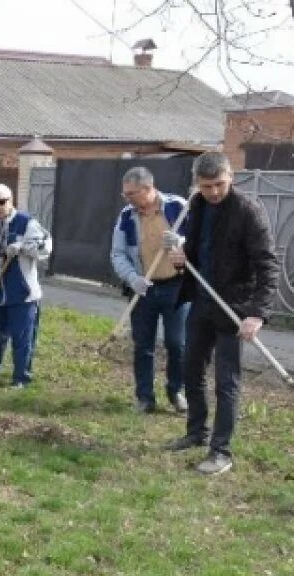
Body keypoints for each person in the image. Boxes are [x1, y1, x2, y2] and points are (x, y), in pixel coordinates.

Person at [166, 151, 279, 475]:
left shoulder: (248, 212)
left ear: (231, 177)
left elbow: (268, 266)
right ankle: (196, 432)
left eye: (219, 184)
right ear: (197, 184)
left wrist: (257, 313)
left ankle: (221, 451)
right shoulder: (197, 205)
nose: (213, 191)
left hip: (234, 308)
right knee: (191, 370)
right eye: (206, 186)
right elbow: (200, 252)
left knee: (226, 381)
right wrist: (182, 258)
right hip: (202, 303)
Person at [109, 166, 190, 414]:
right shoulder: (126, 217)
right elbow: (118, 253)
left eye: (131, 194)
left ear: (148, 188)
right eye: (125, 194)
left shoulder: (178, 207)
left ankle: (176, 391)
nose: (127, 199)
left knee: (177, 343)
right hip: (143, 290)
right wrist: (133, 278)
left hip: (176, 286)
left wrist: (181, 243)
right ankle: (145, 397)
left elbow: (199, 241)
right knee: (143, 344)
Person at [0, 183, 51, 389]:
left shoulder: (26, 223)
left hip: (23, 294)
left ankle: (21, 378)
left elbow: (46, 247)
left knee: (22, 339)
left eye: (2, 202)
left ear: (11, 200)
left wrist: (24, 247)